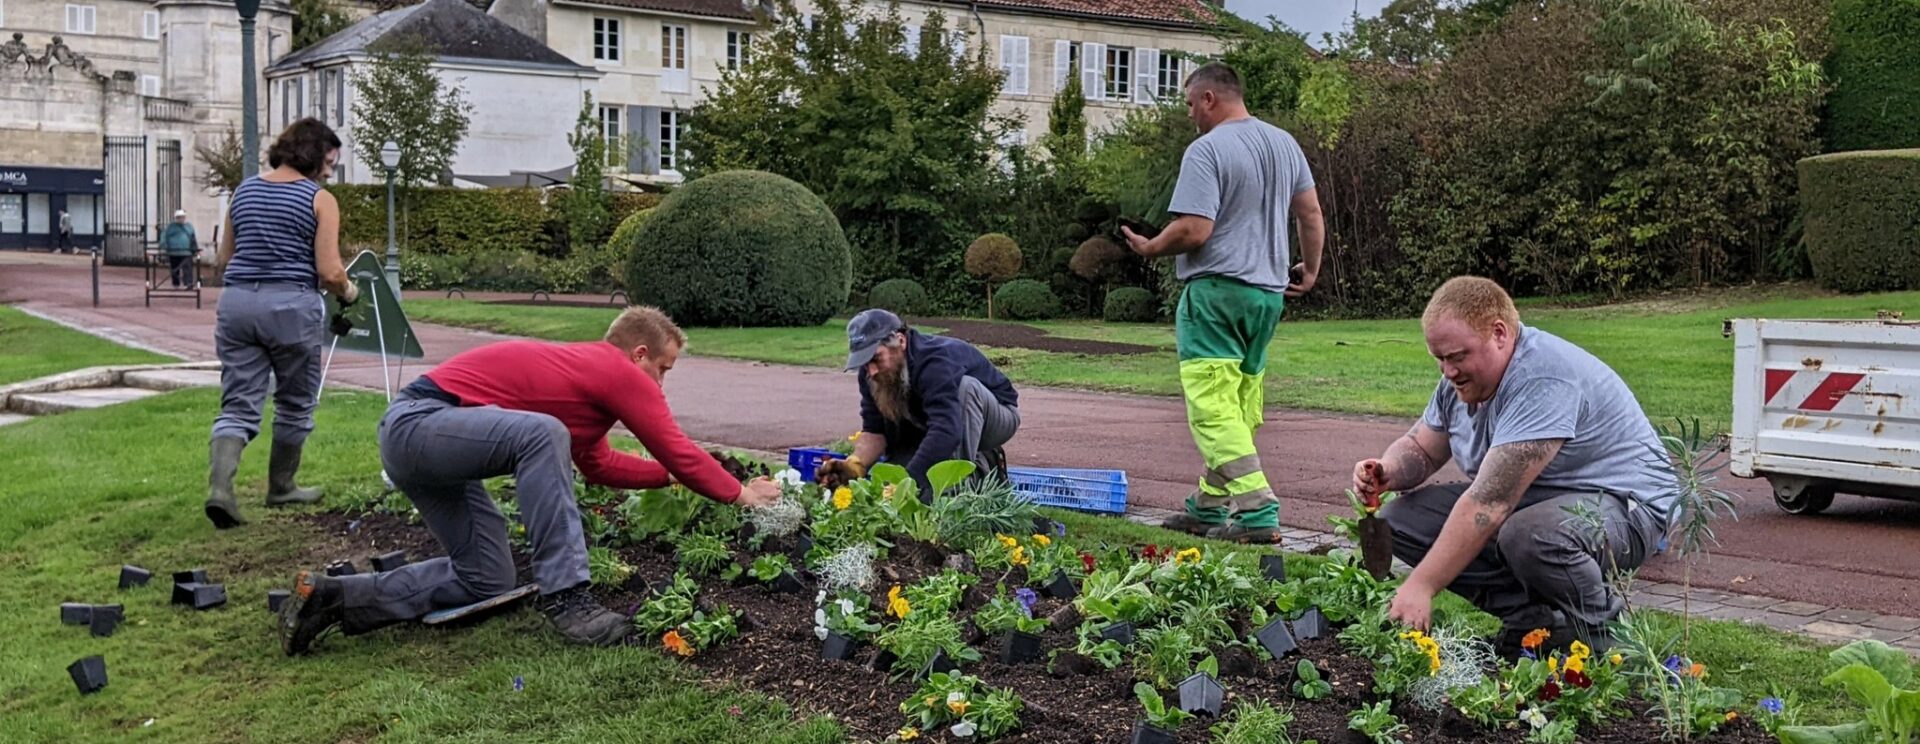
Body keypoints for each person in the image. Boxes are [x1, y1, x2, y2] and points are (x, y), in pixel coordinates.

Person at [277, 306, 785, 653]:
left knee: (487, 577)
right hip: (420, 424)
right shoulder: (612, 368)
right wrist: (739, 492)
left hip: (435, 443)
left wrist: (673, 480)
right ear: (638, 355)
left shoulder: (579, 387)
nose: (662, 382)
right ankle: (567, 598)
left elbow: (602, 465)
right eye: (664, 368)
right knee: (543, 433)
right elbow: (671, 443)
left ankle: (336, 598)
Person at [1353, 277, 1673, 654]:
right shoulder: (1459, 384)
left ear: (1500, 334)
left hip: (1626, 507)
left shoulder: (1542, 377)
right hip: (1541, 503)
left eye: (1457, 356)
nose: (1448, 371)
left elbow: (1490, 503)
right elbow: (1422, 449)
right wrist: (1387, 469)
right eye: (1439, 359)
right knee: (1401, 521)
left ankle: (1612, 646)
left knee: (1531, 536)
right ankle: (1535, 622)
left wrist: (1421, 585)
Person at [1119, 62, 1324, 543]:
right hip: (1267, 297)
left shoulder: (1207, 150)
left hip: (1216, 294)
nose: (1191, 115)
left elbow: (1195, 229)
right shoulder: (1284, 144)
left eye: (1191, 104)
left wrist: (1150, 248)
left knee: (1212, 408)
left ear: (1209, 98)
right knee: (1237, 407)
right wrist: (1310, 271)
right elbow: (1310, 213)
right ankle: (1208, 507)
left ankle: (1257, 512)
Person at [204, 118, 360, 529]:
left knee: (238, 403)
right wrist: (349, 292)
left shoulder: (244, 192)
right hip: (291, 306)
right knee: (294, 401)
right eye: (329, 161)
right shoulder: (319, 199)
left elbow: (223, 259)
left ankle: (221, 490)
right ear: (311, 154)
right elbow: (329, 272)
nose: (329, 171)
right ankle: (282, 487)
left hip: (237, 304)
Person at [815, 309, 1020, 495]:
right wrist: (854, 465)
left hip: (995, 417)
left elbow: (946, 430)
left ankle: (958, 493)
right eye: (864, 362)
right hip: (934, 422)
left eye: (876, 358)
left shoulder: (935, 361)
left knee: (965, 388)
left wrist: (907, 484)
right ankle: (971, 474)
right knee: (899, 472)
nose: (871, 370)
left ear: (900, 341)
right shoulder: (871, 373)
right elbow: (874, 432)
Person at [160, 209, 199, 288]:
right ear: (176, 218)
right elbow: (164, 237)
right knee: (174, 268)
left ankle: (188, 283)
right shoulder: (170, 227)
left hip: (186, 252)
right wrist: (164, 246)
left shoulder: (189, 226)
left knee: (187, 268)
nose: (181, 219)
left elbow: (193, 238)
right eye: (179, 217)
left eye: (182, 217)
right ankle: (176, 283)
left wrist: (195, 250)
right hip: (173, 252)